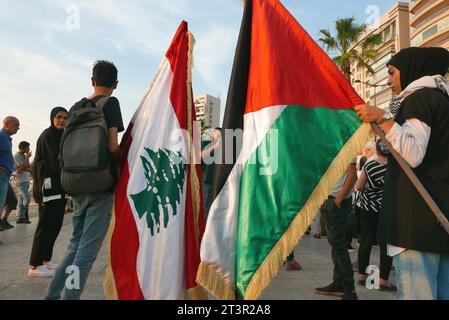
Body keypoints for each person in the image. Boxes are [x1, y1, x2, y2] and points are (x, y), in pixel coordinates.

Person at [355, 47, 449, 300]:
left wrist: (384, 118)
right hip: (436, 226)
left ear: (411, 70)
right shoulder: (441, 100)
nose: (388, 80)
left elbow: (413, 153)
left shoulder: (419, 99)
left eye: (392, 72)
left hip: (415, 228)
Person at [45, 60, 124, 300]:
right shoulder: (110, 103)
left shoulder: (77, 106)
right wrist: (123, 159)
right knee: (87, 251)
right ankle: (70, 296)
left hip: (75, 182)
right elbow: (112, 146)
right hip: (101, 184)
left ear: (92, 80)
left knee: (74, 245)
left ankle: (51, 296)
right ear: (116, 84)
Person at [28, 107, 69, 278]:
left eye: (65, 118)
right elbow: (54, 163)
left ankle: (46, 259)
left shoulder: (61, 136)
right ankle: (34, 265)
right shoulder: (47, 136)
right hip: (47, 188)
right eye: (59, 117)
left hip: (60, 187)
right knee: (45, 226)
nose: (62, 120)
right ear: (52, 118)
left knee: (55, 224)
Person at [314, 160, 358, 300]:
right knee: (334, 242)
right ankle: (338, 283)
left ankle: (349, 289)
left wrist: (338, 199)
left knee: (338, 245)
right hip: (330, 200)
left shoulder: (345, 146)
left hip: (338, 202)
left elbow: (352, 176)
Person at [355, 139, 395, 291]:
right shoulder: (395, 166)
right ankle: (383, 280)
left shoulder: (370, 165)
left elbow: (358, 187)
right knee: (386, 243)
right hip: (387, 209)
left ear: (377, 149)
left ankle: (362, 277)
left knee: (366, 241)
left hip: (368, 208)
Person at [0, 117, 20, 232]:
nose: (18, 127)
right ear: (6, 124)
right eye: (16, 125)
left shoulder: (6, 138)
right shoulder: (1, 136)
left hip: (4, 177)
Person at [14, 141, 32, 224]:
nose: (29, 149)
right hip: (20, 182)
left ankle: (20, 217)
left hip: (26, 180)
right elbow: (19, 170)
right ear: (22, 148)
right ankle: (24, 216)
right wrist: (27, 158)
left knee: (21, 200)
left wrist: (25, 166)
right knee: (27, 199)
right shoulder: (17, 156)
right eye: (27, 147)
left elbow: (29, 167)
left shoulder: (24, 156)